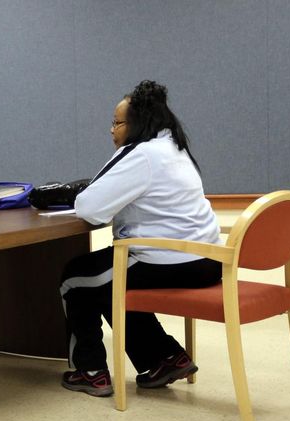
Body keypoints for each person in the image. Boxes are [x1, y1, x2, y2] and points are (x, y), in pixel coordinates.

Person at [59, 80, 221, 397]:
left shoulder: (141, 154)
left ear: (137, 124)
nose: (111, 130)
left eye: (117, 122)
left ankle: (90, 372)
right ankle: (165, 358)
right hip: (206, 261)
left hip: (169, 261)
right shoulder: (176, 149)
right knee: (106, 282)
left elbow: (90, 210)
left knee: (75, 278)